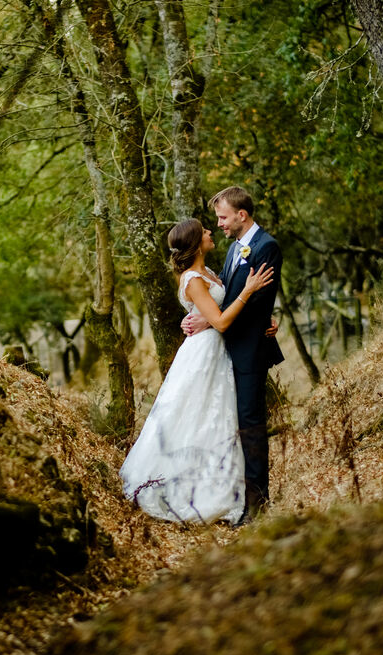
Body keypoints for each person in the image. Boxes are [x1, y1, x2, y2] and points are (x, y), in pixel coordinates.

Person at [119, 218, 274, 524]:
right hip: (203, 353)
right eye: (204, 231)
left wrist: (261, 320)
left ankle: (232, 487)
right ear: (194, 242)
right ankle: (194, 490)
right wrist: (248, 289)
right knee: (197, 415)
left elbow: (216, 312)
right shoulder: (191, 279)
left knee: (219, 415)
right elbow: (221, 321)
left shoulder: (210, 272)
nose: (209, 232)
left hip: (219, 349)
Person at [182, 186, 284, 519]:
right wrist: (205, 318)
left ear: (241, 215)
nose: (220, 224)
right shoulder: (234, 249)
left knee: (251, 424)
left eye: (223, 217)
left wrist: (213, 323)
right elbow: (230, 293)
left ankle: (257, 506)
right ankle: (235, 495)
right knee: (235, 423)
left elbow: (257, 300)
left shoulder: (266, 247)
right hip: (228, 350)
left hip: (250, 349)